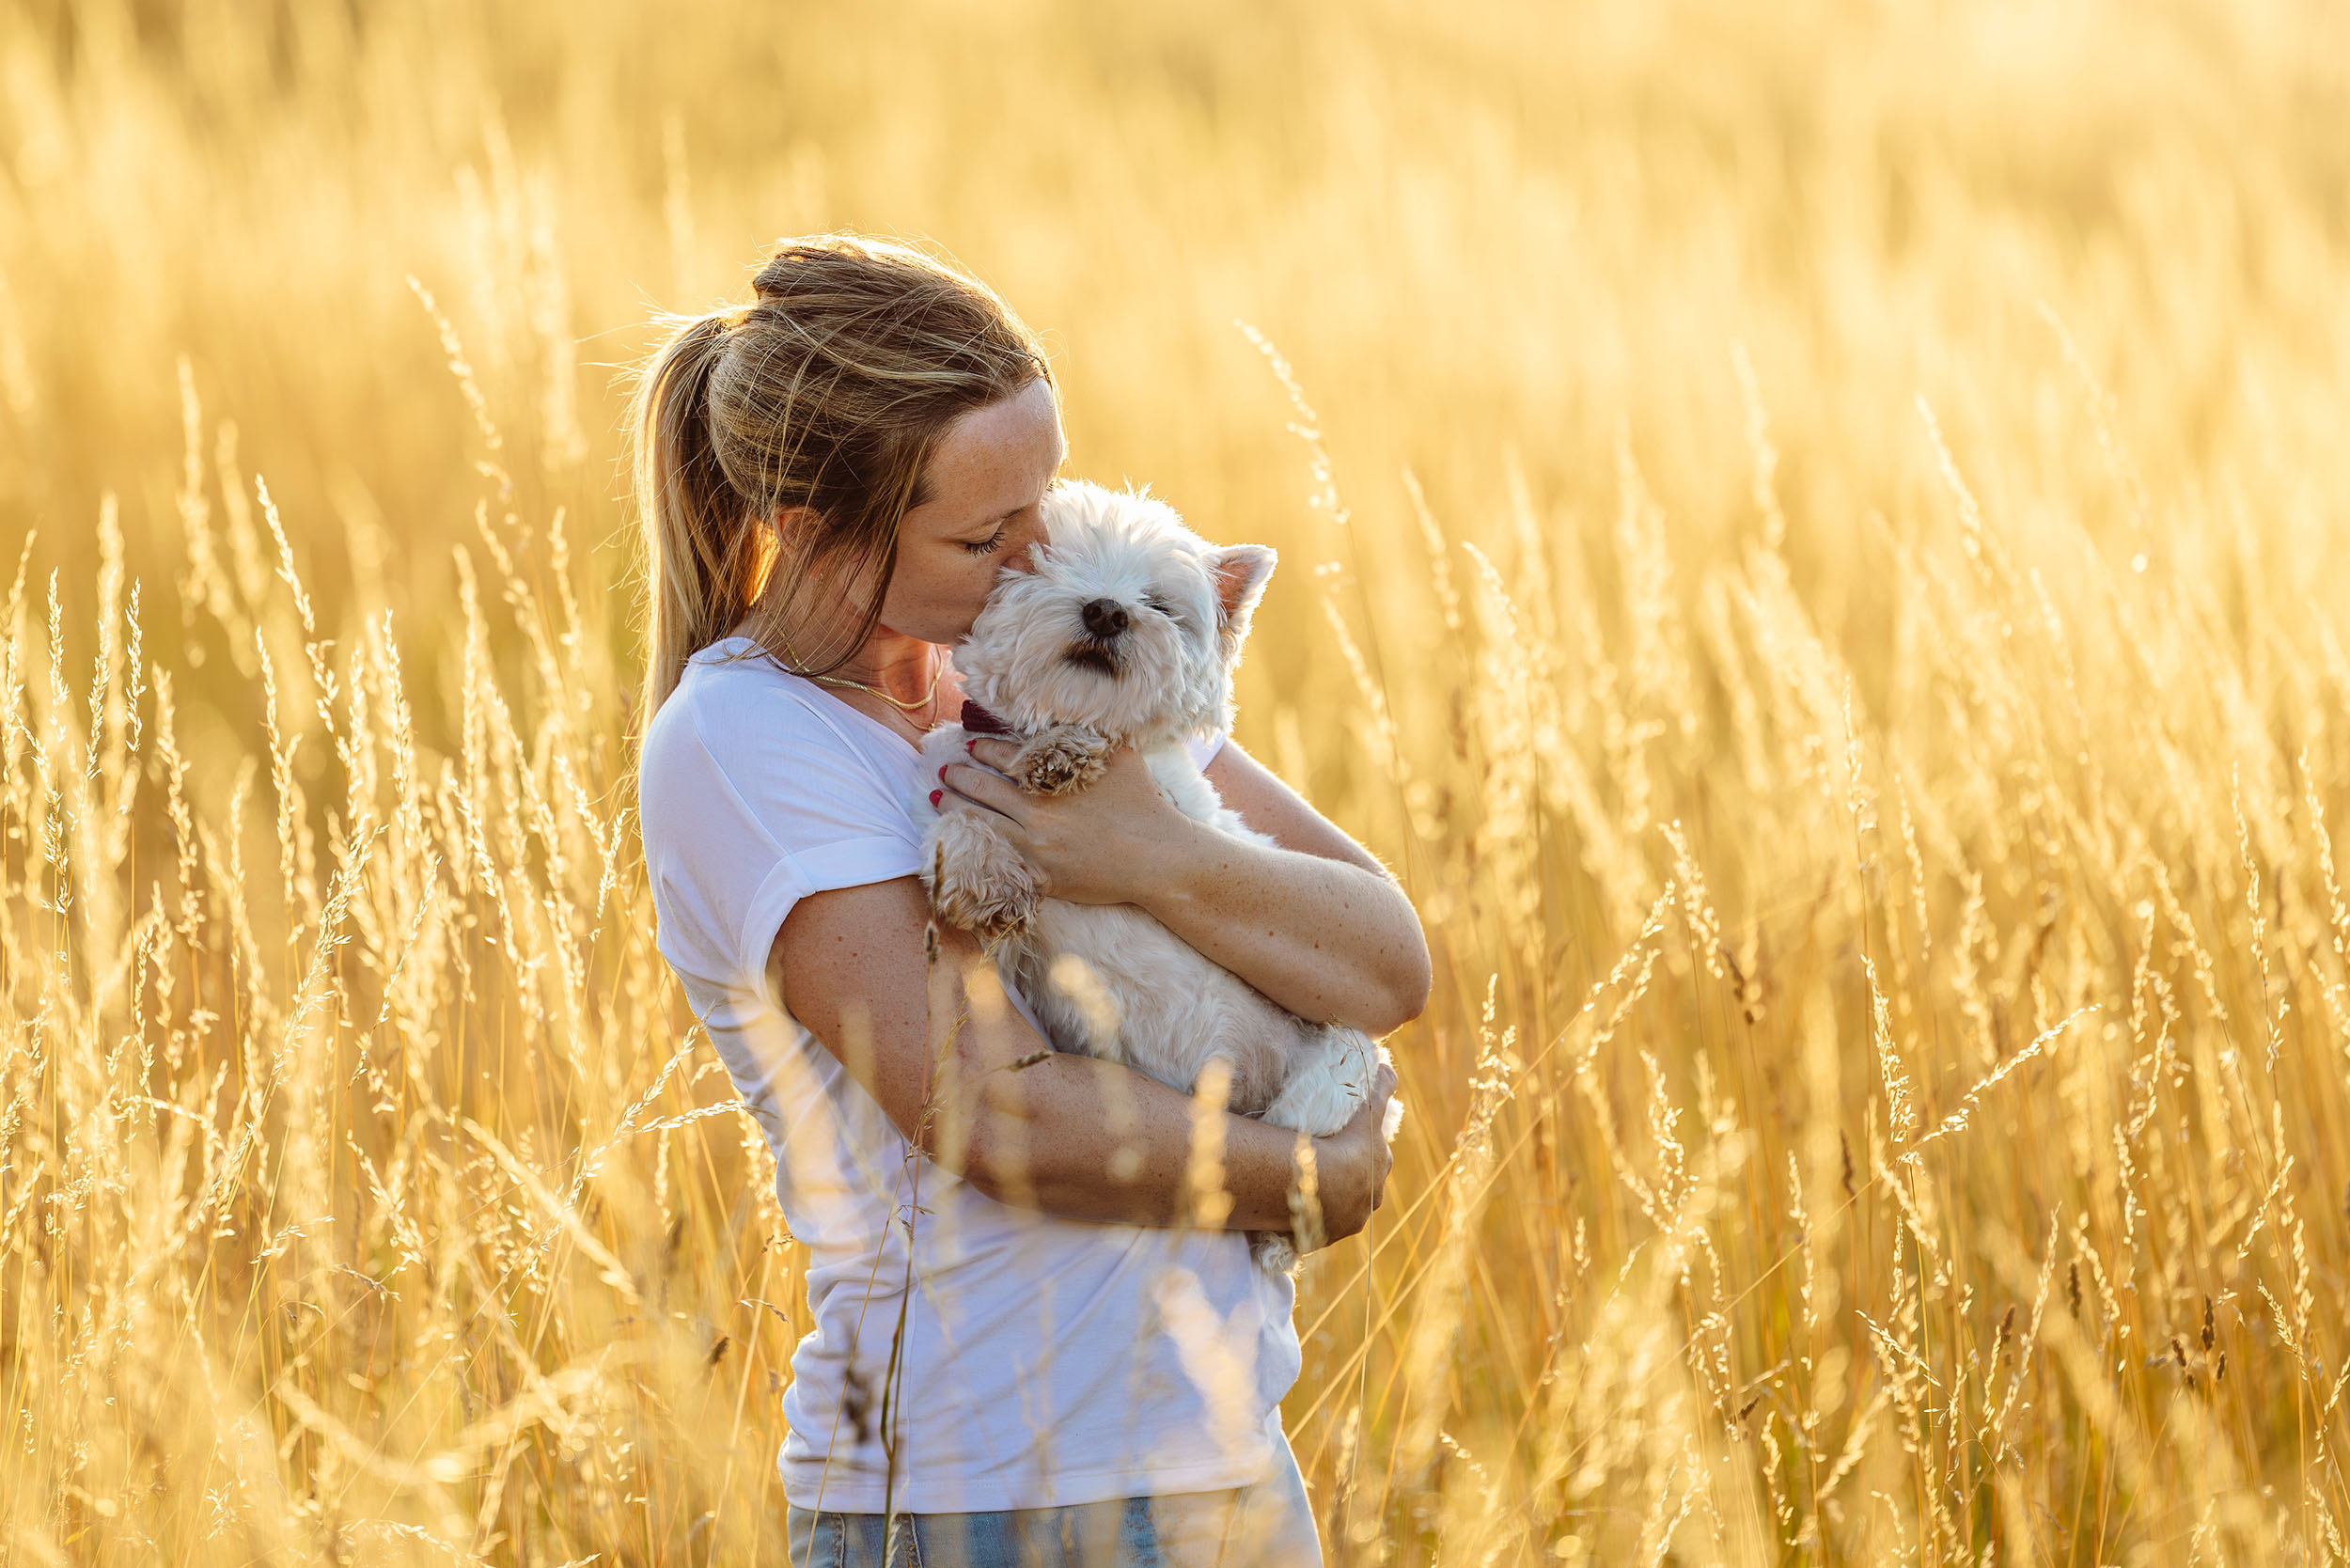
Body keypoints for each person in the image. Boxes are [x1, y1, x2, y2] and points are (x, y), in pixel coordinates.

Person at [631, 233, 1429, 1567]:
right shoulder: (746, 742)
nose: (1038, 557)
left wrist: (1153, 857)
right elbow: (994, 1114)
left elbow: (1385, 965)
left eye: (1042, 503)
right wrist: (1315, 1177)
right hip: (979, 1489)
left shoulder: (1040, 659)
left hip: (1219, 1462)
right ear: (818, 534)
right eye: (982, 533)